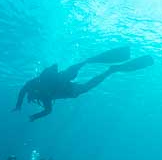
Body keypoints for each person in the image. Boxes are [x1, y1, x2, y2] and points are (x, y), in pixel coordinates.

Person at [13, 46, 154, 121]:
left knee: (81, 79)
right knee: (79, 75)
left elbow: (24, 91)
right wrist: (30, 113)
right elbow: (47, 109)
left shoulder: (34, 86)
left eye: (31, 96)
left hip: (66, 86)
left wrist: (23, 108)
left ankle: (107, 69)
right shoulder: (41, 94)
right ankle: (108, 69)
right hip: (69, 87)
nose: (32, 96)